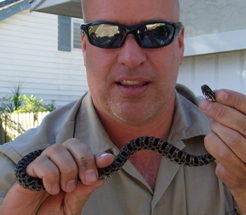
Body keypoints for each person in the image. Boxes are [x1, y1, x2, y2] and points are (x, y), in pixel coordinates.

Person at [0, 0, 246, 214]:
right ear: (85, 48)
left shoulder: (237, 148)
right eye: (106, 33)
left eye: (155, 32)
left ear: (179, 46)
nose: (131, 57)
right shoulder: (13, 176)